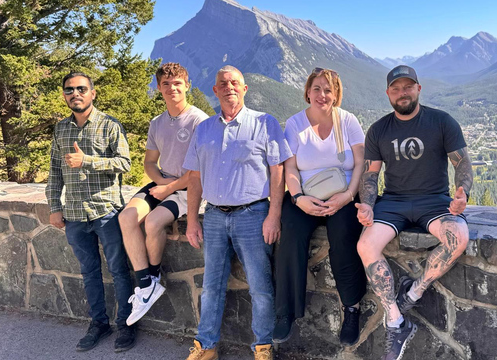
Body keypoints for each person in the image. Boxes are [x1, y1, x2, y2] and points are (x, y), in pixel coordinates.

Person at [356, 65, 472, 360]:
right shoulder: (379, 129)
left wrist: (462, 193)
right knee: (365, 245)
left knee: (458, 236)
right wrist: (368, 204)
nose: (402, 93)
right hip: (393, 201)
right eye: (396, 88)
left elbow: (461, 163)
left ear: (419, 88)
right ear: (388, 94)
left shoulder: (441, 121)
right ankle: (396, 321)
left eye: (408, 87)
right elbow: (370, 175)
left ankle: (414, 292)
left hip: (433, 200)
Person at [184, 66, 292, 360]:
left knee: (260, 286)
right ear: (215, 90)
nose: (229, 86)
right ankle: (206, 346)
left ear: (245, 89)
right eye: (222, 83)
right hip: (215, 216)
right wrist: (192, 220)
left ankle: (263, 347)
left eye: (235, 82)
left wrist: (274, 214)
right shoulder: (203, 129)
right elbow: (194, 177)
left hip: (253, 215)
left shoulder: (265, 123)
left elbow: (278, 170)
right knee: (211, 287)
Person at [273, 68, 368, 345]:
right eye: (317, 88)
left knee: (343, 235)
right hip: (306, 196)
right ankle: (285, 312)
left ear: (336, 94)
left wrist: (349, 195)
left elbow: (362, 163)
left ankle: (351, 307)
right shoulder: (294, 124)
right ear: (307, 91)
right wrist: (299, 198)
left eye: (328, 89)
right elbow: (289, 167)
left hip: (344, 196)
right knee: (290, 230)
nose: (322, 94)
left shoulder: (348, 121)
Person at [45, 72, 136, 353]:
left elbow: (124, 163)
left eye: (81, 89)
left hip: (106, 212)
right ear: (64, 95)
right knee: (89, 272)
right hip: (73, 214)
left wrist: (87, 161)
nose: (76, 94)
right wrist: (54, 207)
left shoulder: (110, 125)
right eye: (70, 90)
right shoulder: (61, 129)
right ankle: (99, 324)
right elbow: (54, 172)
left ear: (92, 93)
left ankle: (126, 325)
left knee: (120, 271)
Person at [119, 62, 209, 325]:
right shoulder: (157, 123)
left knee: (153, 222)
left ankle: (154, 276)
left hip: (188, 187)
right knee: (127, 218)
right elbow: (149, 162)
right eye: (166, 84)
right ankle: (146, 284)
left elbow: (199, 170)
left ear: (187, 86)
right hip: (164, 181)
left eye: (177, 83)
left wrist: (169, 188)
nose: (172, 88)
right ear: (159, 88)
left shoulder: (198, 121)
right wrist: (160, 182)